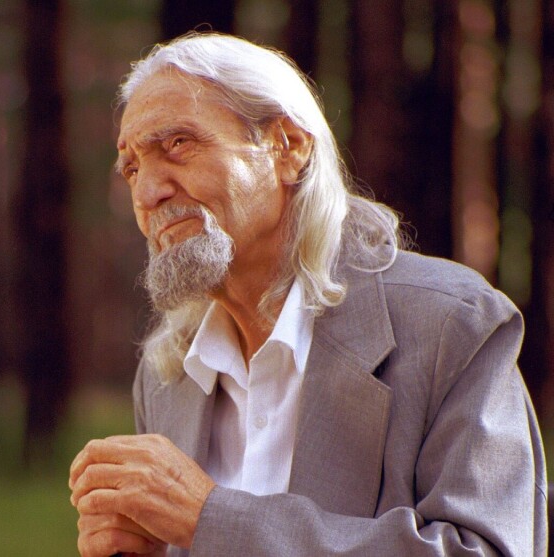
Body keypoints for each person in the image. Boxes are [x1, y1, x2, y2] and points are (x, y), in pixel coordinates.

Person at [68, 32, 548, 556]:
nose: (147, 193)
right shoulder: (167, 375)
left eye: (178, 144)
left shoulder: (454, 325)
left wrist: (214, 519)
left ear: (289, 147)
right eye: (131, 168)